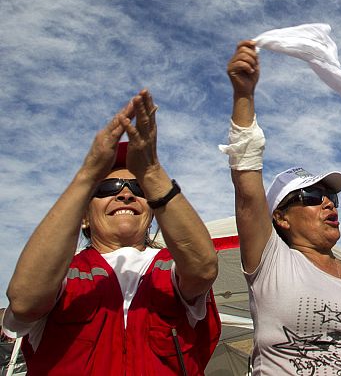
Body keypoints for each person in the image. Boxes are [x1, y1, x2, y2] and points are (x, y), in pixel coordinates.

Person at [2, 90, 221, 375]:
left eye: (138, 189)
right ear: (83, 218)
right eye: (107, 188)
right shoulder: (62, 275)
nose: (125, 195)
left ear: (153, 209)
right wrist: (87, 175)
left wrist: (152, 171)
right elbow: (24, 302)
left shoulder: (171, 267)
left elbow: (203, 268)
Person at [223, 40, 341, 375]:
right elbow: (247, 189)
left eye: (331, 197)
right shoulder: (271, 262)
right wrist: (243, 96)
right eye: (310, 197)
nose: (326, 203)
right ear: (280, 217)